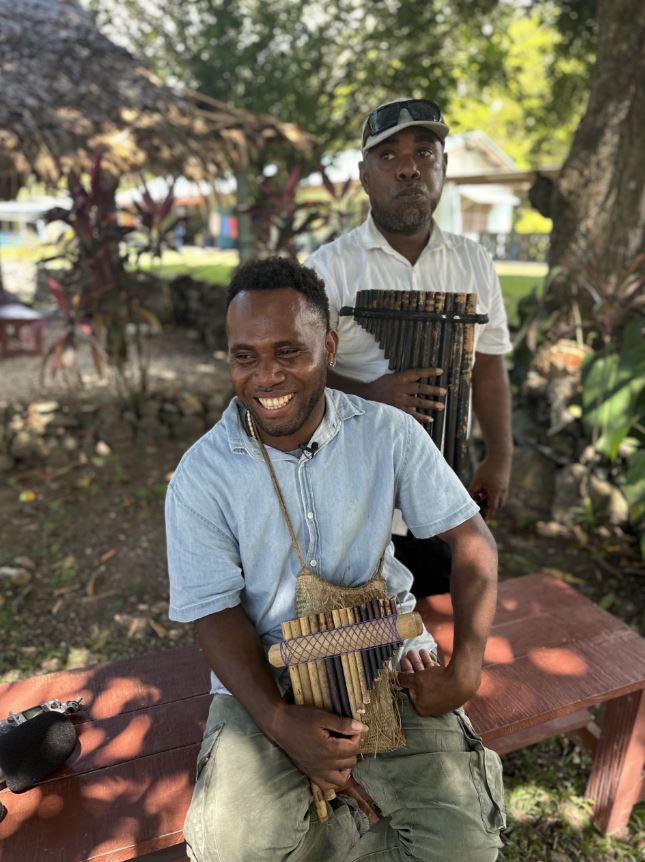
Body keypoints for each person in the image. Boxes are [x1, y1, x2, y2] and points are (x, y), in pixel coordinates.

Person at [165, 257, 505, 862]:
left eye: (287, 351)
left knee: (465, 848)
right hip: (265, 676)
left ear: (327, 345)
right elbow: (212, 612)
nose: (265, 377)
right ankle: (355, 827)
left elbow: (473, 541)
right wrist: (275, 720)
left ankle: (345, 830)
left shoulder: (390, 433)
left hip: (390, 659)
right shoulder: (201, 475)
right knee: (233, 848)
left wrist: (466, 669)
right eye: (245, 356)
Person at [305, 98, 513, 595]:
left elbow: (487, 368)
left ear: (443, 168)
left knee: (436, 622)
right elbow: (299, 373)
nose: (408, 169)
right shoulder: (328, 269)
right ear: (363, 174)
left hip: (445, 489)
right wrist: (369, 395)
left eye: (424, 153)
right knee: (359, 635)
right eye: (388, 156)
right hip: (354, 493)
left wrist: (500, 455)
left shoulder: (474, 262)